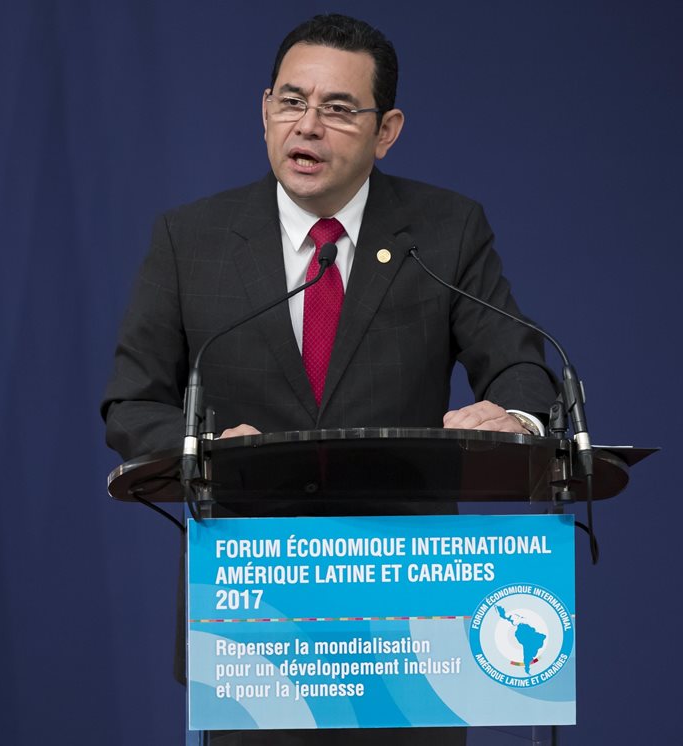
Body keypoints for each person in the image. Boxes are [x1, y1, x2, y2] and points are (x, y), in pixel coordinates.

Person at [100, 13, 558, 746]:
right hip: (253, 618)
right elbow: (132, 402)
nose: (307, 125)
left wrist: (518, 419)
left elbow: (519, 361)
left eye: (338, 109)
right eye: (291, 101)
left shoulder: (444, 232)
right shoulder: (191, 241)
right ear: (264, 110)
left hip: (410, 616)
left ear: (387, 131)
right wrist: (209, 445)